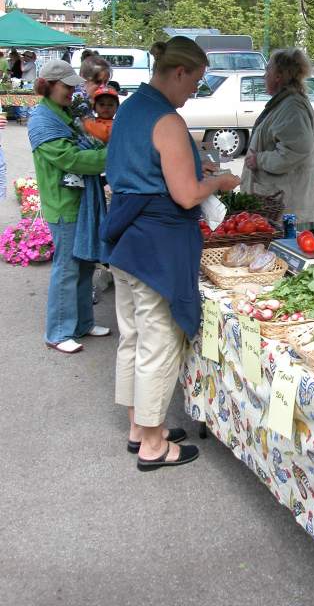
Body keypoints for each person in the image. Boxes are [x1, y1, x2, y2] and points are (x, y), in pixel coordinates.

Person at [102, 36, 240, 471]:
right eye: (196, 82)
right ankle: (154, 445)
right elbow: (184, 195)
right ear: (178, 72)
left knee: (133, 337)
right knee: (158, 343)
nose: (194, 91)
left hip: (125, 239)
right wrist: (218, 183)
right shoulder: (167, 119)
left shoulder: (130, 108)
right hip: (157, 245)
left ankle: (140, 428)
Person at [27, 60, 110, 354]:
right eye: (67, 86)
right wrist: (114, 156)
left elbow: (87, 143)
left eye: (74, 86)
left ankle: (82, 324)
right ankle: (58, 332)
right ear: (48, 85)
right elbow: (71, 159)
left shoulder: (63, 113)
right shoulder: (41, 120)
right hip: (64, 204)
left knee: (85, 263)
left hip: (81, 201)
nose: (72, 91)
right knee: (67, 268)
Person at [241, 48, 314, 232]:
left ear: (278, 76)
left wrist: (258, 160)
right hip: (287, 203)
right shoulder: (286, 104)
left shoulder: (292, 107)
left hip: (293, 210)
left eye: (268, 71)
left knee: (292, 256)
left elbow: (296, 151)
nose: (264, 75)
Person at [71, 53, 111, 122]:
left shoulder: (89, 99)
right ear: (83, 78)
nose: (103, 87)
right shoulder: (80, 102)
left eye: (106, 82)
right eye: (97, 82)